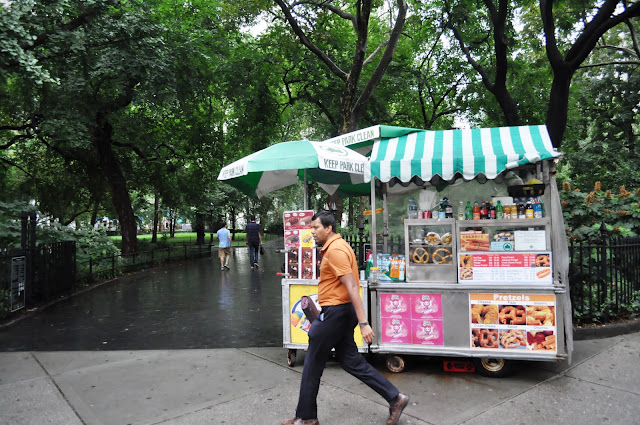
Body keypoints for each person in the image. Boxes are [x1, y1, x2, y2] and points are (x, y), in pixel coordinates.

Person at [283, 211, 409, 425]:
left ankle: (306, 417)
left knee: (312, 364)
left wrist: (364, 323)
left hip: (335, 313)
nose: (312, 231)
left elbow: (351, 286)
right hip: (339, 311)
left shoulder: (336, 250)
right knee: (351, 361)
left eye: (316, 227)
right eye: (311, 227)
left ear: (328, 228)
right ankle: (395, 398)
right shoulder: (335, 246)